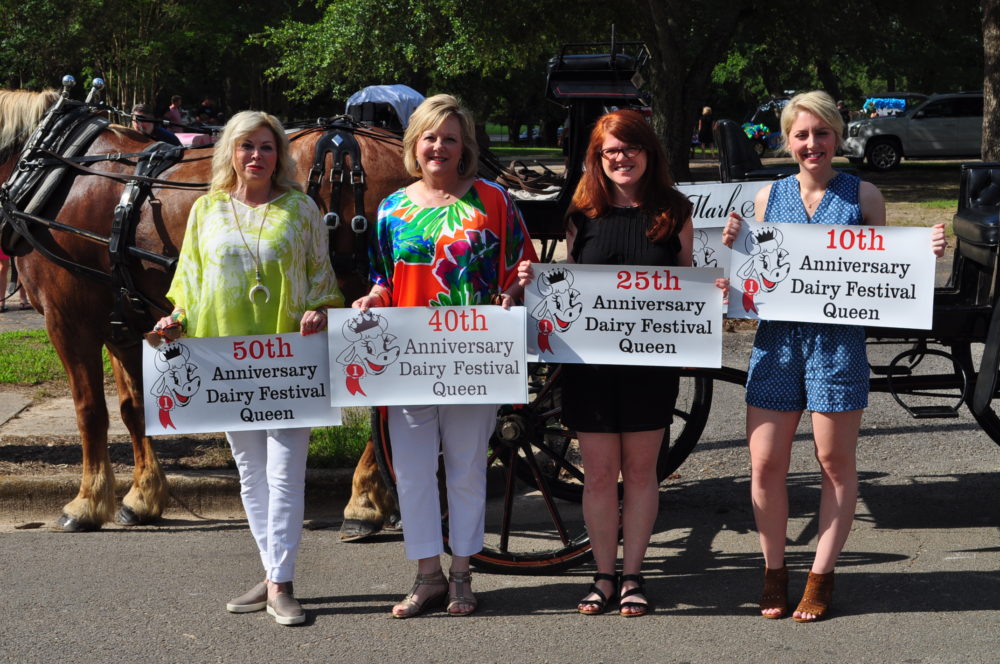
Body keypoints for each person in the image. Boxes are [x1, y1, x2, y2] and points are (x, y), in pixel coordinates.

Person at [721, 91, 946, 622]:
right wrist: (735, 249)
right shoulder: (765, 199)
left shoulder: (863, 194)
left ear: (837, 135)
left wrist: (921, 253)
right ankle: (774, 570)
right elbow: (750, 280)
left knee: (835, 462)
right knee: (766, 462)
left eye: (822, 133)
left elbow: (885, 272)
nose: (812, 144)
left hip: (836, 343)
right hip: (777, 344)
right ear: (787, 140)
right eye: (801, 134)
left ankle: (821, 576)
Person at [151, 110, 343, 625]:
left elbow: (322, 279)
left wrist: (318, 310)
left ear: (279, 154)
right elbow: (189, 283)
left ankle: (281, 583)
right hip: (227, 363)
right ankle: (271, 570)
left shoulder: (302, 209)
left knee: (285, 473)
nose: (256, 155)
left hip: (288, 361)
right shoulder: (207, 210)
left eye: (266, 146)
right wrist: (176, 319)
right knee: (251, 473)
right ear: (230, 153)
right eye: (245, 146)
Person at [353, 94, 537, 618]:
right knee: (410, 473)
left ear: (464, 148)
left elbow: (516, 266)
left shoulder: (493, 201)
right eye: (430, 137)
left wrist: (515, 290)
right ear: (416, 145)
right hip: (410, 359)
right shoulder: (392, 208)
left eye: (450, 138)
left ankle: (462, 574)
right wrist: (371, 299)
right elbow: (383, 281)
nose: (439, 147)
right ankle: (426, 575)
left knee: (465, 469)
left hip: (474, 355)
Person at [518, 109, 694, 617]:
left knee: (641, 474)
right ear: (597, 158)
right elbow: (570, 287)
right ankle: (602, 575)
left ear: (648, 153)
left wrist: (712, 293)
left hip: (651, 366)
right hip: (590, 367)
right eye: (610, 151)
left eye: (630, 148)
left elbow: (687, 283)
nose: (621, 158)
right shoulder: (582, 212)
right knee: (597, 476)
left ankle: (634, 575)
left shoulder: (674, 211)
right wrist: (538, 279)